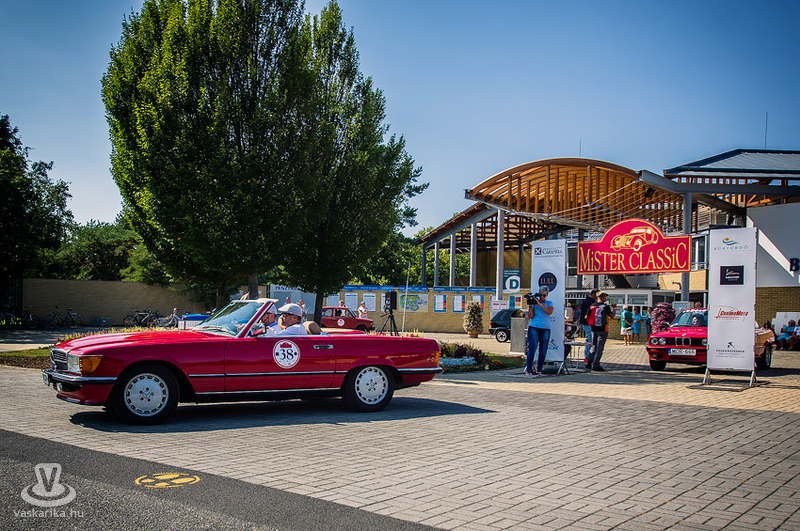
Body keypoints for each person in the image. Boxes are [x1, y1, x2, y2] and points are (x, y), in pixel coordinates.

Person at [525, 286, 554, 375]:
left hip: (545, 328)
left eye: (544, 295)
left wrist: (540, 304)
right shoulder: (534, 303)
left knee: (543, 349)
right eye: (540, 295)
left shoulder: (549, 303)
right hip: (534, 327)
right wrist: (531, 305)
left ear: (547, 295)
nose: (542, 297)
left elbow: (549, 312)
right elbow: (531, 316)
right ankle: (529, 368)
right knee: (532, 348)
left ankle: (540, 369)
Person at [586, 291, 614, 371]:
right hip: (603, 328)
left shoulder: (592, 306)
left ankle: (589, 362)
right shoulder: (605, 306)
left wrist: (592, 324)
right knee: (600, 347)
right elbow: (612, 316)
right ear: (603, 297)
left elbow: (586, 317)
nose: (606, 298)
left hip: (594, 328)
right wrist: (614, 309)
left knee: (594, 346)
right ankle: (596, 364)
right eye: (605, 297)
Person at [579, 289, 598, 363]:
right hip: (587, 323)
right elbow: (587, 314)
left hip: (590, 323)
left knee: (591, 339)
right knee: (589, 339)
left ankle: (590, 355)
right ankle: (587, 356)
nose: (597, 297)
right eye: (596, 295)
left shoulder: (591, 302)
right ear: (593, 294)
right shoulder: (588, 302)